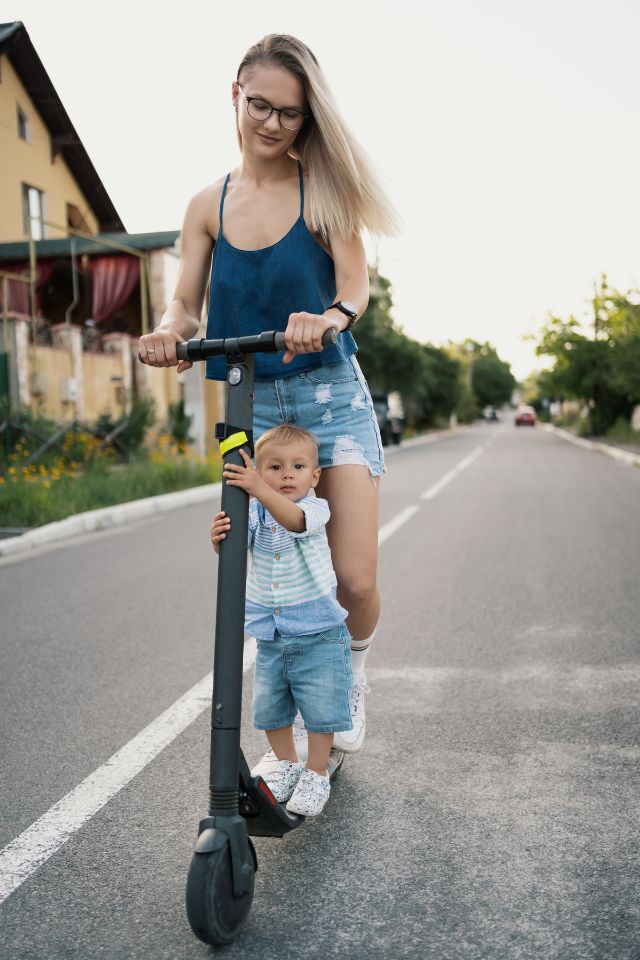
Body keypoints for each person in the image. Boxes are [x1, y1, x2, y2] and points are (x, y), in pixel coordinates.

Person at [138, 33, 399, 760]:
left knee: (352, 576)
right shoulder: (205, 205)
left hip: (330, 398)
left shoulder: (325, 190)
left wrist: (331, 318)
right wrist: (166, 332)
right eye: (261, 106)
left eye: (290, 114)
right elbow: (184, 307)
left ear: (307, 119)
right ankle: (283, 716)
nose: (273, 124)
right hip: (250, 406)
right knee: (264, 573)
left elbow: (355, 288)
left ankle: (353, 671)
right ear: (235, 95)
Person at [210, 424, 352, 816]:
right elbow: (239, 549)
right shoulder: (255, 511)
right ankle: (287, 764)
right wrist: (219, 539)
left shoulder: (313, 508)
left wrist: (259, 488)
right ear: (260, 468)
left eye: (297, 466)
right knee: (271, 706)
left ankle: (316, 772)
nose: (287, 474)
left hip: (319, 631)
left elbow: (293, 521)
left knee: (321, 709)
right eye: (274, 467)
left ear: (314, 475)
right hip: (271, 632)